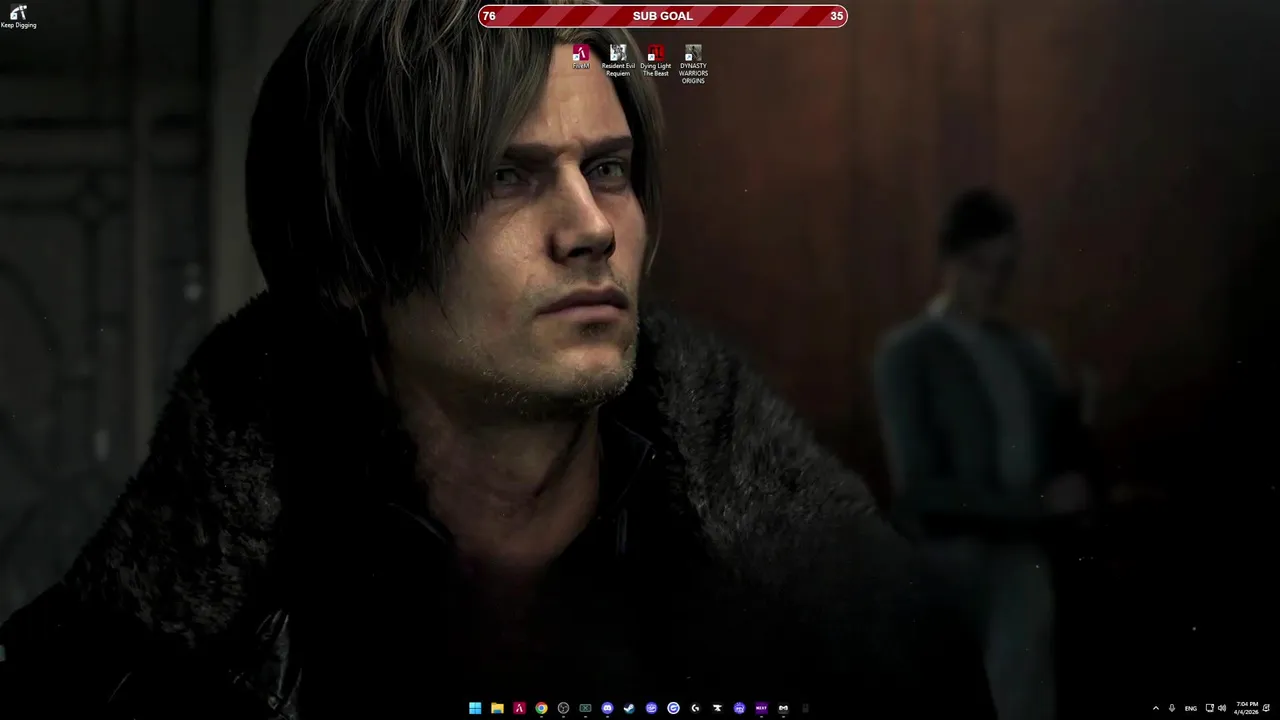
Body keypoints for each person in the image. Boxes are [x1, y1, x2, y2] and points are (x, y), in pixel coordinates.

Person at [0, 1, 994, 716]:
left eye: (607, 169)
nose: (590, 228)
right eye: (504, 180)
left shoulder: (841, 627)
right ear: (349, 256)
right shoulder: (141, 662)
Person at [873, 188, 1095, 720]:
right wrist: (1036, 505)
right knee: (1015, 586)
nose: (991, 282)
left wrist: (1079, 430)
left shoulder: (1029, 353)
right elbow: (921, 490)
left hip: (1032, 546)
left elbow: (1062, 458)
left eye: (1004, 268)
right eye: (978, 265)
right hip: (951, 549)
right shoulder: (909, 354)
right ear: (949, 262)